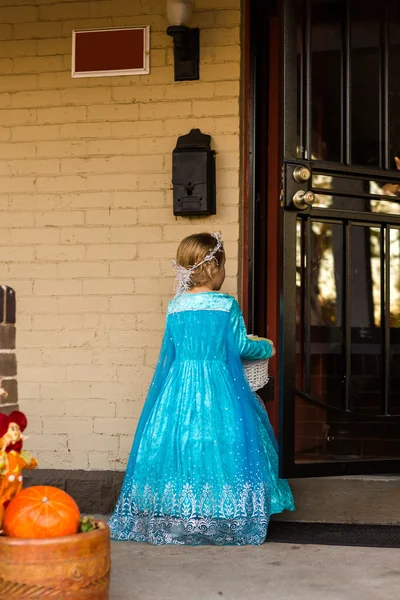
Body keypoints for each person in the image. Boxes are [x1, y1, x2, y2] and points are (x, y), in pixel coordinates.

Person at [108, 232, 295, 545]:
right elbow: (239, 346)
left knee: (180, 443)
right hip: (218, 384)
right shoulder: (225, 306)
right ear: (214, 268)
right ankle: (222, 513)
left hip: (178, 385)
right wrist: (267, 347)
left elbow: (171, 351)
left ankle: (176, 512)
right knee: (225, 441)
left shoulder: (175, 307)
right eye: (223, 266)